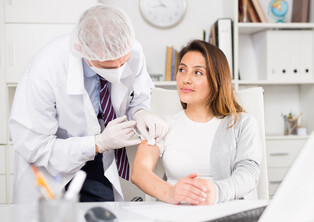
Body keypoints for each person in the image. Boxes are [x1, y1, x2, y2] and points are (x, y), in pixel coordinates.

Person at [9, 5, 168, 203]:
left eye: (123, 62)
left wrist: (141, 113)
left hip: (97, 158)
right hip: (49, 167)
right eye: (108, 65)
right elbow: (34, 147)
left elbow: (138, 95)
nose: (118, 70)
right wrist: (97, 143)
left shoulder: (131, 49)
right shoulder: (46, 68)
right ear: (81, 49)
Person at [131, 40, 261, 205]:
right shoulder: (162, 125)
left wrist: (216, 192)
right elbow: (139, 172)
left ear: (217, 79)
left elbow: (249, 173)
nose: (186, 79)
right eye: (182, 70)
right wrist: (171, 193)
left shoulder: (243, 124)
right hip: (175, 216)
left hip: (226, 212)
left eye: (198, 72)